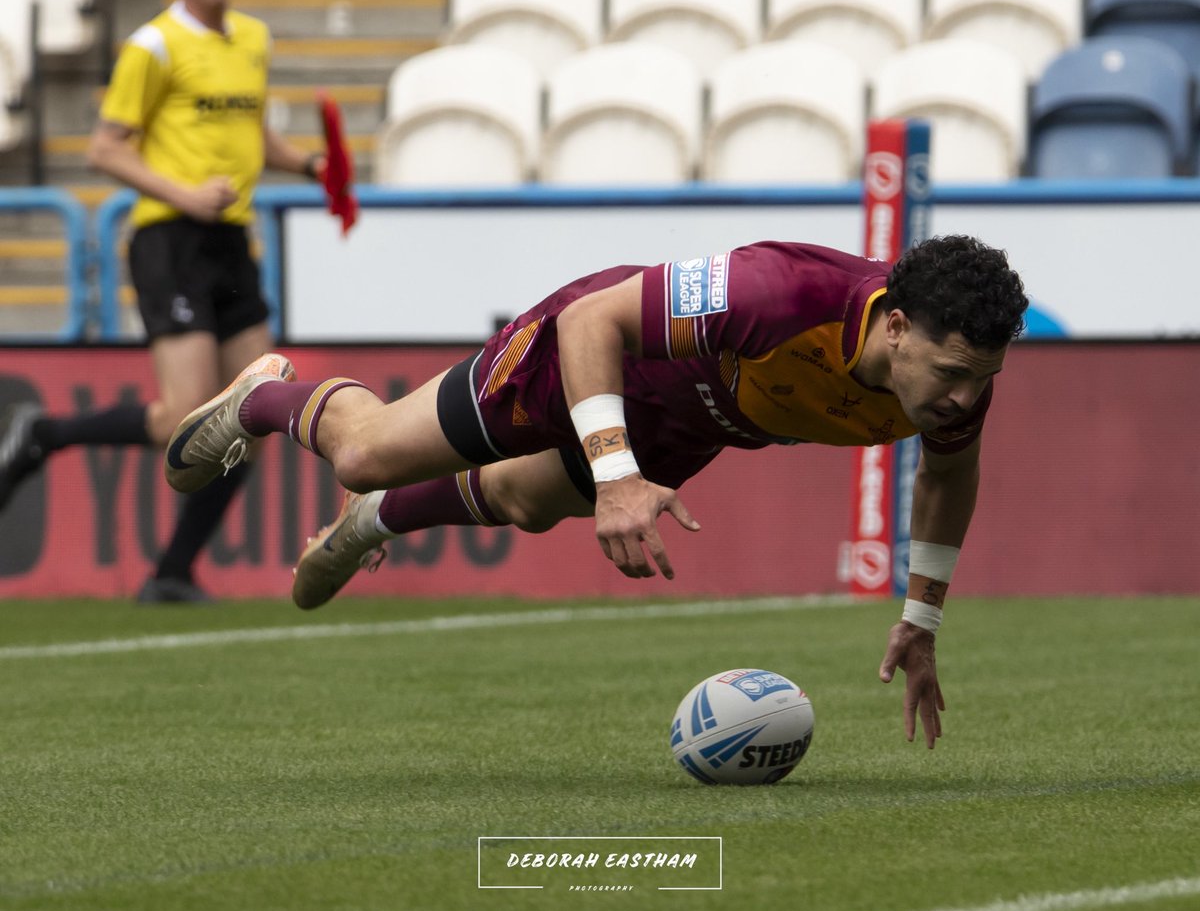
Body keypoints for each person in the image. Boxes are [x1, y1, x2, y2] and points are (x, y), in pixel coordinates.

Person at [164, 236, 1028, 745]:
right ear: (899, 327)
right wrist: (617, 476)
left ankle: (370, 525)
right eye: (953, 372)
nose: (963, 397)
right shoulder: (782, 293)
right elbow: (595, 321)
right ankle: (267, 398)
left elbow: (950, 473)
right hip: (597, 356)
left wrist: (922, 619)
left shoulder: (957, 385)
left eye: (980, 378)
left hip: (695, 423)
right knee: (365, 451)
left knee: (524, 504)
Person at [0, 0, 324, 603]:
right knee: (188, 417)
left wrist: (308, 164)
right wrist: (182, 193)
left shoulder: (253, 40)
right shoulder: (153, 46)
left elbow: (255, 134)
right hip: (168, 239)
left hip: (229, 239)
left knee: (257, 409)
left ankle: (173, 572)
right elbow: (104, 148)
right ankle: (43, 434)